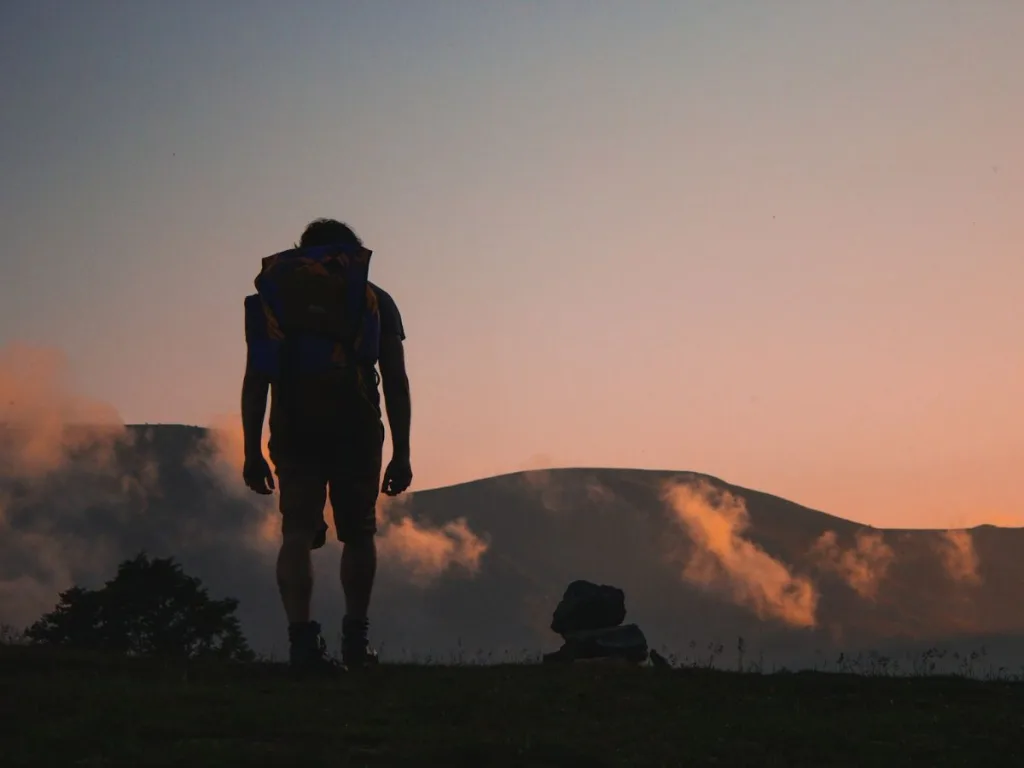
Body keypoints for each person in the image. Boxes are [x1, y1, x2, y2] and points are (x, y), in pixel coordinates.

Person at [240, 218, 412, 673]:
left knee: (296, 532)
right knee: (359, 533)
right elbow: (395, 380)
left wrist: (252, 450)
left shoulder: (277, 299)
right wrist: (402, 452)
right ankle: (356, 641)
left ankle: (302, 643)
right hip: (356, 424)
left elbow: (257, 379)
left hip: (293, 422)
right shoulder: (374, 299)